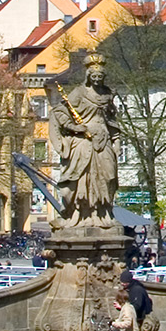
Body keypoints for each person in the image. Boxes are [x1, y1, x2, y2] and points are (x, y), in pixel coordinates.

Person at [46, 52, 121, 230]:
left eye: (100, 77)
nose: (97, 80)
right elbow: (60, 113)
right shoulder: (79, 93)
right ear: (88, 76)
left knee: (109, 177)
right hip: (83, 142)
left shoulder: (108, 94)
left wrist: (116, 139)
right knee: (80, 179)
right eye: (94, 77)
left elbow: (111, 119)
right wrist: (75, 128)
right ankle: (80, 214)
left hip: (104, 141)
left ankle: (104, 212)